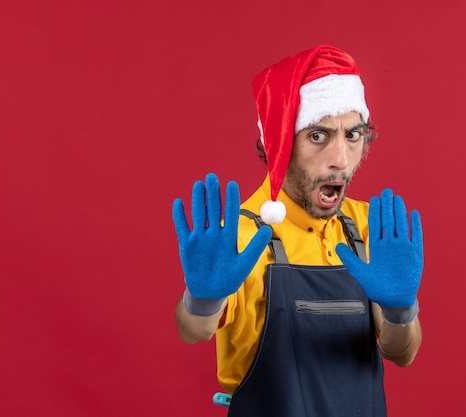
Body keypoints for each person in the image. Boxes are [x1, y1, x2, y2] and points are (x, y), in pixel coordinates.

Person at [172, 45, 424, 417]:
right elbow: (193, 330)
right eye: (319, 136)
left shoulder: (370, 227)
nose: (340, 159)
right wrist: (202, 300)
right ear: (279, 144)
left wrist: (400, 311)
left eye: (353, 135)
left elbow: (402, 353)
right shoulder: (241, 236)